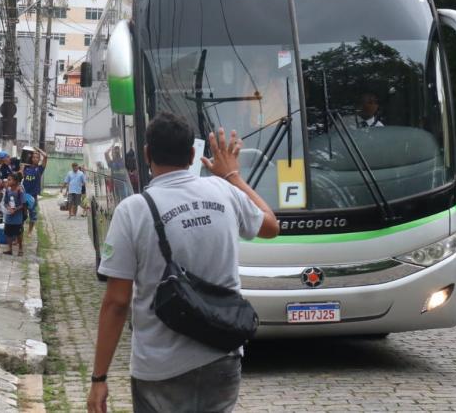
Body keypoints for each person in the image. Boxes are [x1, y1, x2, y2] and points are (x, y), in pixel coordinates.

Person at [86, 114, 280, 413]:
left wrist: (99, 377)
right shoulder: (224, 191)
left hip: (160, 368)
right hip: (222, 355)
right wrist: (233, 176)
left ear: (147, 154)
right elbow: (271, 226)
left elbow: (116, 302)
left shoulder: (133, 211)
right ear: (192, 155)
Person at [21, 148, 48, 239]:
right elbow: (20, 176)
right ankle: (20, 232)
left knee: (33, 215)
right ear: (31, 158)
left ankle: (29, 231)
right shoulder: (26, 167)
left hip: (33, 196)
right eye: (34, 157)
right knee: (22, 215)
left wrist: (37, 149)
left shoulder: (39, 169)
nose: (35, 159)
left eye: (37, 157)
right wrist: (22, 167)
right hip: (24, 194)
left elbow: (46, 156)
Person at [0, 172, 26, 257]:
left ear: (15, 181)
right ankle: (9, 249)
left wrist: (15, 210)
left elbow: (23, 204)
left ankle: (21, 248)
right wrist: (8, 208)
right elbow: (5, 202)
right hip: (9, 216)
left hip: (17, 217)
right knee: (8, 233)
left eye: (9, 180)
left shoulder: (20, 191)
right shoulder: (8, 190)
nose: (7, 181)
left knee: (18, 233)